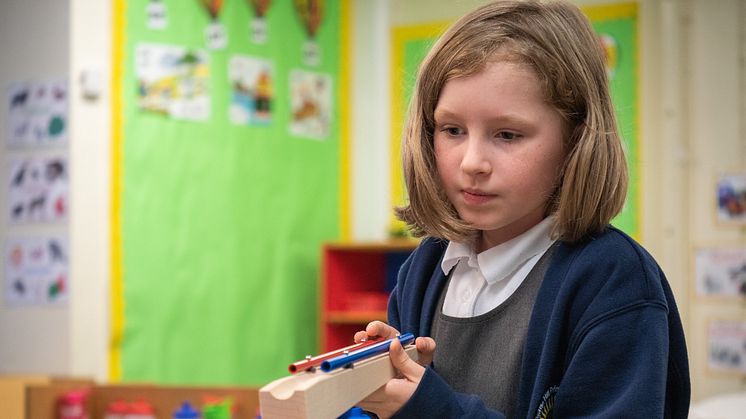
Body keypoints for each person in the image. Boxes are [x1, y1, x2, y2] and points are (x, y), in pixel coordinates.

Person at [352, 1, 691, 418]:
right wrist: (384, 393)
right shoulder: (425, 270)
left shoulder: (613, 282)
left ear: (575, 140)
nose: (472, 161)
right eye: (452, 130)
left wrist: (432, 409)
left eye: (507, 134)